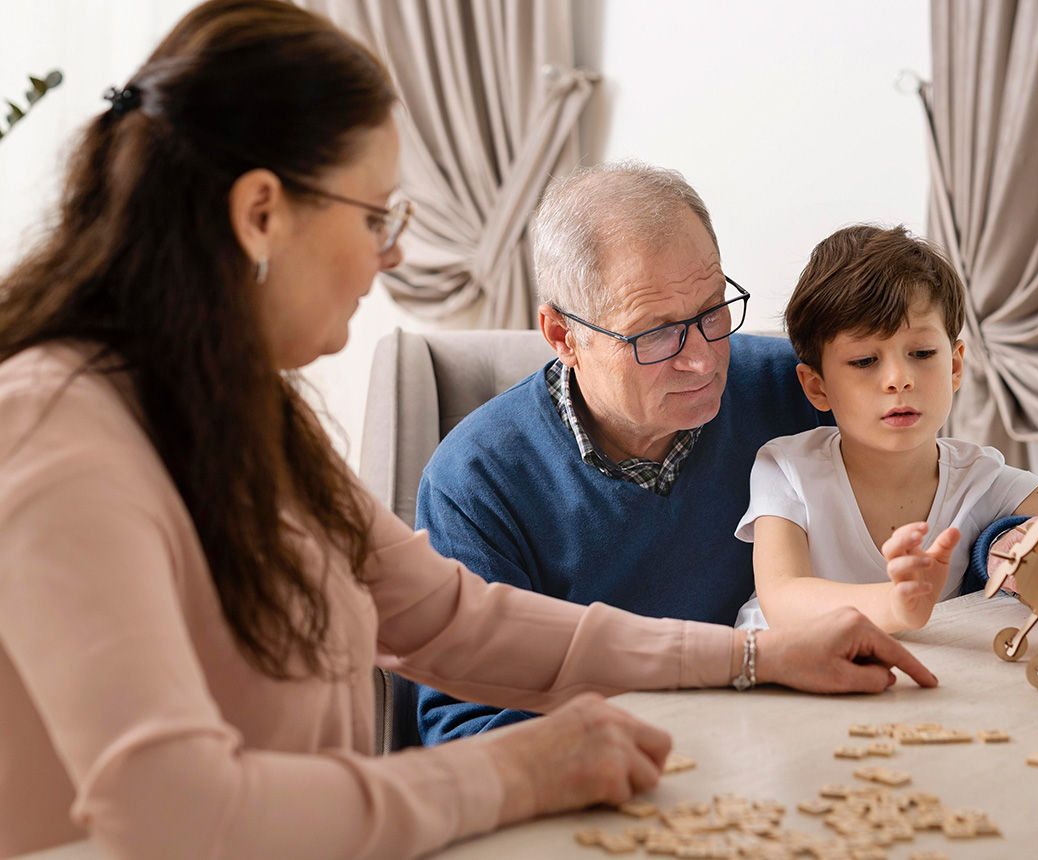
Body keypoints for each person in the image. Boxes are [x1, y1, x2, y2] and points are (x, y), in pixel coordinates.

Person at [0, 5, 939, 858]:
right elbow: (173, 811)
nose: (398, 251)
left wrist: (755, 656)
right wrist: (520, 770)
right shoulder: (54, 428)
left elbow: (448, 618)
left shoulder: (243, 410)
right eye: (377, 215)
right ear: (259, 215)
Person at [413, 162, 850, 743]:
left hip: (804, 741)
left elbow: (938, 494)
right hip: (608, 783)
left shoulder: (800, 389)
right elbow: (468, 729)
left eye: (712, 310)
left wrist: (996, 541)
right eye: (655, 332)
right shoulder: (474, 482)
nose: (702, 359)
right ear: (564, 336)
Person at [733, 224, 1038, 634]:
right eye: (865, 360)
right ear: (817, 387)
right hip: (779, 684)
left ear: (954, 366)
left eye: (922, 354)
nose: (899, 379)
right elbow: (784, 597)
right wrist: (896, 605)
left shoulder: (984, 479)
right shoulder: (788, 467)